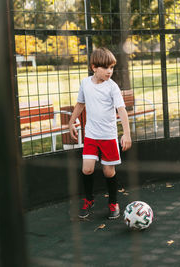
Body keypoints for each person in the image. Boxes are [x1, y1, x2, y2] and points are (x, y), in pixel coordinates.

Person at [68, 47, 132, 220]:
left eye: (111, 67)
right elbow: (80, 104)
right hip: (91, 135)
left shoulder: (112, 87)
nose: (109, 71)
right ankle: (88, 200)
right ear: (94, 67)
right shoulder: (85, 83)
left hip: (108, 136)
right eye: (105, 68)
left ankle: (113, 202)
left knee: (108, 172)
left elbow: (122, 110)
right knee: (87, 169)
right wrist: (71, 121)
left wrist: (126, 134)